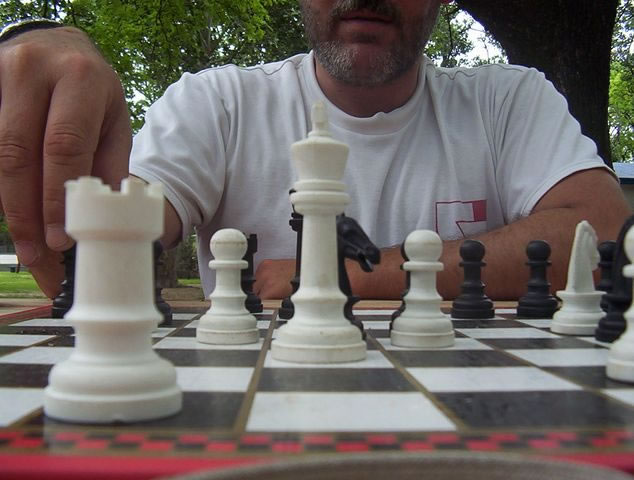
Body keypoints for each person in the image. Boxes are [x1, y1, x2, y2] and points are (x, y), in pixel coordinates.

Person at [0, 0, 630, 302]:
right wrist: (37, 44)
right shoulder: (215, 103)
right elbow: (97, 243)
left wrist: (330, 278)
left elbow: (604, 234)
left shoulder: (508, 99)